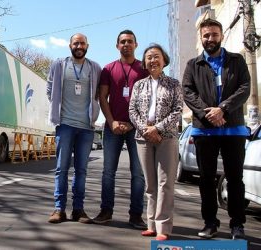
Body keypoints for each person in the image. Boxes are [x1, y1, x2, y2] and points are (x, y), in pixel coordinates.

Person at [182, 18, 250, 240]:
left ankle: (237, 225)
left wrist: (223, 109)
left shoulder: (237, 60)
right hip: (204, 131)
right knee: (206, 180)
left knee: (235, 179)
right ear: (201, 38)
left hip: (233, 130)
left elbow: (244, 88)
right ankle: (210, 223)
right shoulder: (193, 64)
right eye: (206, 35)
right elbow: (188, 92)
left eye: (213, 34)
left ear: (221, 35)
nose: (210, 39)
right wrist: (208, 113)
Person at [93, 30, 148, 229]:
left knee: (138, 174)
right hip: (112, 128)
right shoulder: (108, 69)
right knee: (108, 172)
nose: (126, 44)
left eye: (130, 41)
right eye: (122, 42)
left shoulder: (144, 69)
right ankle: (106, 211)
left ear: (136, 44)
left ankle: (136, 215)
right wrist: (112, 121)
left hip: (137, 128)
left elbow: (149, 100)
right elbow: (102, 97)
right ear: (117, 45)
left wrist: (135, 123)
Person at [129, 43, 183, 241]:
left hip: (166, 138)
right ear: (144, 62)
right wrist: (145, 129)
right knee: (150, 185)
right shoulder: (139, 85)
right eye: (149, 57)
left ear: (164, 60)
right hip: (143, 138)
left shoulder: (173, 83)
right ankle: (151, 224)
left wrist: (157, 128)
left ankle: (163, 228)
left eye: (156, 56)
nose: (153, 60)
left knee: (165, 184)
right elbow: (132, 111)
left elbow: (178, 109)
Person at [46, 33, 102, 224]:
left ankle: (78, 210)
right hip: (65, 125)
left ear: (88, 45)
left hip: (86, 127)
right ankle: (59, 209)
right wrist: (57, 109)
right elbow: (49, 89)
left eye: (82, 43)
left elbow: (100, 94)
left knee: (81, 170)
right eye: (76, 43)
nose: (79, 46)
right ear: (70, 45)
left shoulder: (95, 68)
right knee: (61, 169)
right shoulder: (59, 65)